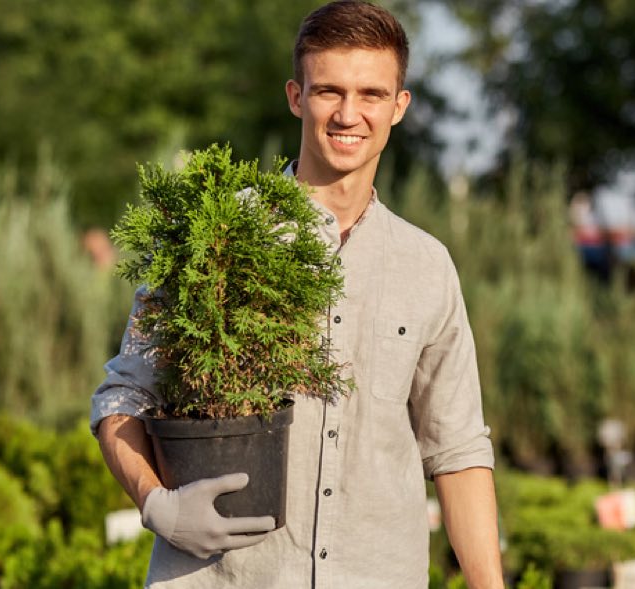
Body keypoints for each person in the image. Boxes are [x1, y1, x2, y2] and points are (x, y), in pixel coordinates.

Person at [91, 2, 503, 587]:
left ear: (399, 107)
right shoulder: (213, 238)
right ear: (295, 96)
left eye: (371, 94)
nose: (348, 114)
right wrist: (158, 505)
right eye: (328, 90)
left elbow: (458, 451)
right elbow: (122, 396)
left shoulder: (427, 267)